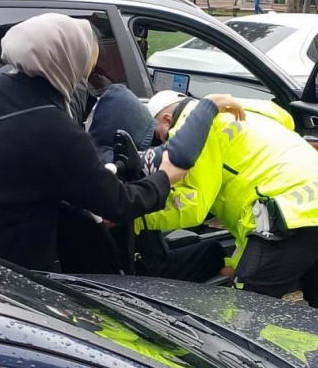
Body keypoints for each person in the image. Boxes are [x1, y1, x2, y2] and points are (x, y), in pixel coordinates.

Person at [0, 13, 190, 273]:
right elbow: (118, 203)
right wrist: (165, 177)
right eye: (87, 62)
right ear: (67, 60)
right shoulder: (57, 130)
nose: (87, 72)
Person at [101, 91, 318, 314]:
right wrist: (236, 263)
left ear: (168, 119)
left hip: (292, 216)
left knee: (245, 310)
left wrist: (135, 215)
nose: (164, 145)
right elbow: (247, 202)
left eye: (160, 136)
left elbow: (193, 205)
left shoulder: (196, 127)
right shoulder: (249, 114)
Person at [87, 85, 245, 282]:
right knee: (213, 250)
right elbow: (190, 198)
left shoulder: (89, 167)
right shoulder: (127, 170)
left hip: (114, 265)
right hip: (149, 270)